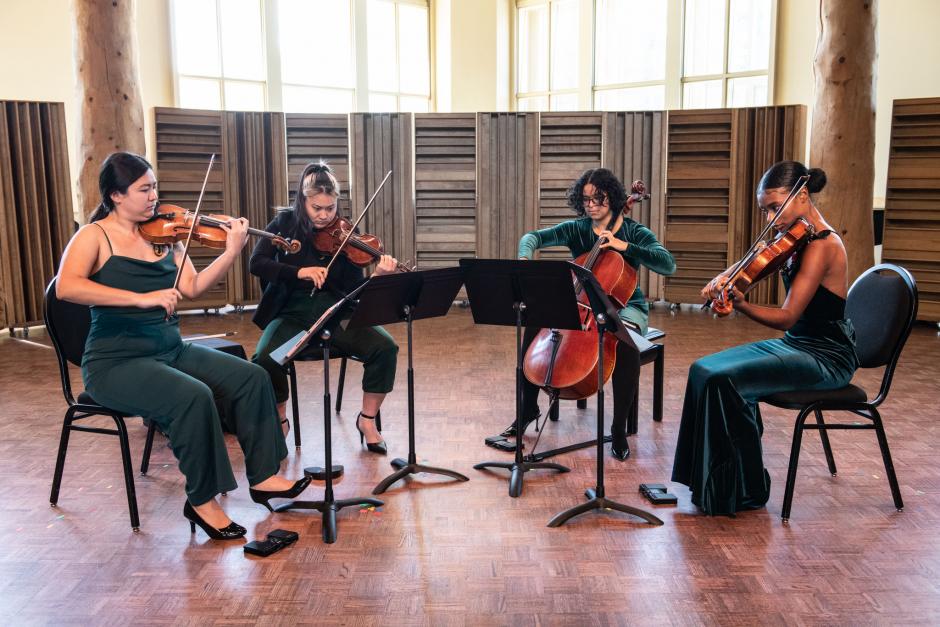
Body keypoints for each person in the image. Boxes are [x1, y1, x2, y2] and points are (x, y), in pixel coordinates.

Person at [56, 152, 310, 540]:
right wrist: (140, 298)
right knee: (193, 396)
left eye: (155, 186)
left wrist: (230, 252)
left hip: (169, 350)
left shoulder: (166, 234)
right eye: (144, 189)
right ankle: (202, 501)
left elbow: (191, 287)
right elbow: (66, 287)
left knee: (251, 377)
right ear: (116, 195)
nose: (154, 196)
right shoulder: (95, 236)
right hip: (115, 362)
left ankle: (264, 477)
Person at [671, 161, 859, 516]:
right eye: (765, 210)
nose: (771, 217)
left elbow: (787, 316)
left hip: (826, 356)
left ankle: (747, 489)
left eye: (775, 206)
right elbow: (752, 263)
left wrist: (741, 304)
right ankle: (710, 485)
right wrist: (723, 278)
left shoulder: (823, 245)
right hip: (797, 345)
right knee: (702, 370)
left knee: (724, 379)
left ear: (802, 195)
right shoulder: (794, 235)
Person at [509, 167, 676, 460]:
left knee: (624, 342)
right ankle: (528, 407)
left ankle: (618, 428)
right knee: (535, 320)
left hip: (625, 305)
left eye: (598, 198)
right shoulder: (578, 228)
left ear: (612, 197)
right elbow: (532, 237)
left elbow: (668, 264)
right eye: (585, 200)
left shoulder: (635, 231)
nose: (591, 205)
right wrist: (525, 258)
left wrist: (624, 246)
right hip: (579, 302)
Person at [250, 162, 399, 455]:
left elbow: (355, 291)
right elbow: (257, 263)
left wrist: (379, 276)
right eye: (316, 208)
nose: (323, 215)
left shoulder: (346, 234)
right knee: (266, 359)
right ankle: (280, 421)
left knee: (385, 348)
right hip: (292, 314)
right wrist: (299, 273)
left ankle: (367, 421)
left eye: (330, 208)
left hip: (336, 313)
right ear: (302, 201)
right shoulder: (283, 224)